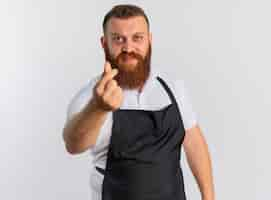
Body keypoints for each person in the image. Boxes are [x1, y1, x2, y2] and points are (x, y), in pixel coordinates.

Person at [63, 4, 215, 200]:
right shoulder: (92, 97)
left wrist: (208, 196)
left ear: (149, 40)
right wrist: (98, 108)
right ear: (104, 43)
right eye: (118, 39)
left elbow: (194, 143)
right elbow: (73, 144)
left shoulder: (172, 88)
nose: (128, 47)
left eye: (137, 38)